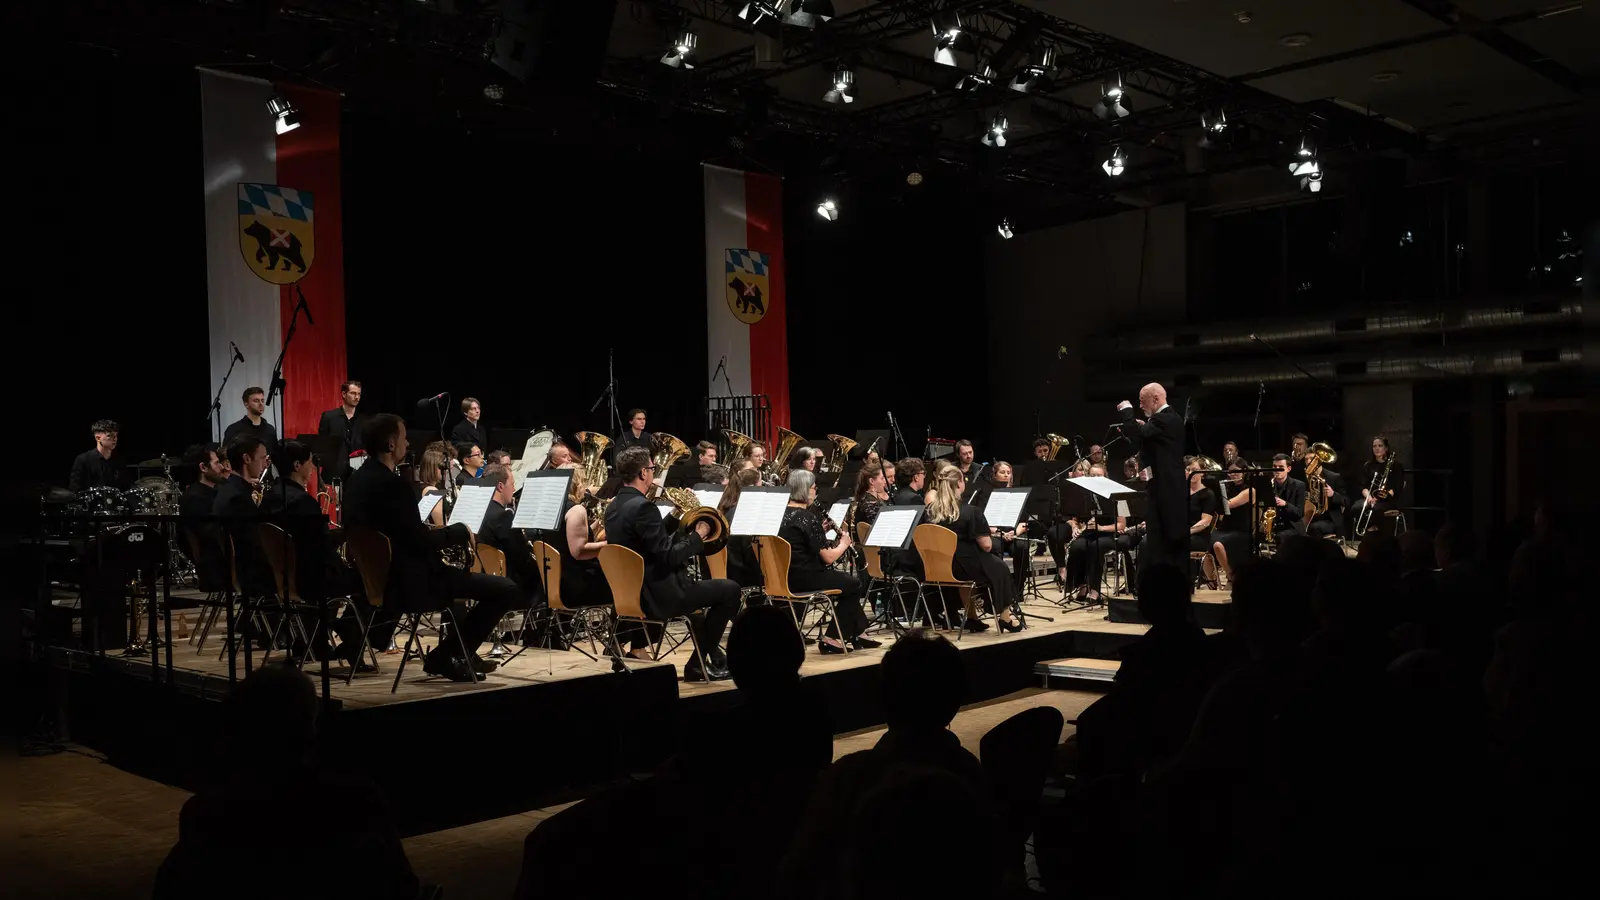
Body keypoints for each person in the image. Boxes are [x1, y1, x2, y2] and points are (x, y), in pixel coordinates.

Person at [341, 413, 521, 682]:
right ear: (391, 445)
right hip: (408, 584)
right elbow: (419, 542)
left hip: (375, 581)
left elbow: (399, 534)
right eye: (403, 438)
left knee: (461, 582)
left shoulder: (356, 481)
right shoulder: (393, 485)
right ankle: (448, 655)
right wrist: (457, 532)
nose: (407, 443)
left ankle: (456, 653)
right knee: (505, 589)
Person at [603, 446, 740, 681]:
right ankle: (697, 664)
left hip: (633, 592)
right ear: (643, 473)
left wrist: (676, 515)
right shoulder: (644, 507)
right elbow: (668, 557)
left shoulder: (614, 505)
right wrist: (698, 535)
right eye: (652, 469)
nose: (654, 475)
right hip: (661, 594)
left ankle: (713, 657)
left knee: (703, 603)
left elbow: (649, 543)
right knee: (730, 589)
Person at [274, 439, 370, 668]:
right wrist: (348, 534)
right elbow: (320, 546)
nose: (313, 469)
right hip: (309, 577)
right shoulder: (302, 502)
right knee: (372, 579)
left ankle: (312, 640)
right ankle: (351, 637)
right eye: (310, 463)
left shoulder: (272, 496)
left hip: (284, 576)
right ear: (297, 465)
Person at [779, 469, 877, 653]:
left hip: (783, 576)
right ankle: (832, 637)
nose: (816, 492)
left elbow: (798, 543)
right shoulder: (807, 518)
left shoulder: (779, 515)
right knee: (853, 584)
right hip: (805, 578)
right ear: (805, 489)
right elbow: (829, 557)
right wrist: (844, 544)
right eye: (814, 488)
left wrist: (819, 534)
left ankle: (860, 631)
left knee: (846, 582)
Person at [925, 465, 1021, 632]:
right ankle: (1005, 616)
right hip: (963, 567)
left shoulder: (929, 511)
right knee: (1000, 568)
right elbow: (986, 546)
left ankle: (971, 617)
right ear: (960, 484)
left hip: (937, 567)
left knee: (980, 568)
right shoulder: (971, 511)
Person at [1116, 383, 1186, 571]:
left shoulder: (1166, 418)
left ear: (1155, 399)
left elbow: (1140, 432)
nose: (1140, 405)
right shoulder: (1162, 420)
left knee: (1167, 540)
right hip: (1161, 488)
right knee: (1158, 541)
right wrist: (1141, 427)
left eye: (1142, 401)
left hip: (1168, 490)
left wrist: (1126, 411)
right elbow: (1143, 436)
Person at [214, 434, 277, 600]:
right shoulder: (238, 497)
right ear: (247, 459)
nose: (265, 464)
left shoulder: (230, 489)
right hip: (251, 574)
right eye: (262, 458)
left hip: (244, 568)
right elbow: (255, 542)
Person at [477, 463, 544, 599]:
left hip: (484, 579)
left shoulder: (478, 511)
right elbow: (521, 558)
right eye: (512, 484)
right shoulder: (503, 515)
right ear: (500, 486)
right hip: (508, 585)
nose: (513, 489)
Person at [1350, 435, 1405, 538]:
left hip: (1387, 499)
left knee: (1377, 509)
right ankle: (1367, 533)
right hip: (1370, 497)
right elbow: (1363, 486)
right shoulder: (1368, 465)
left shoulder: (1396, 466)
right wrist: (1369, 498)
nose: (1377, 448)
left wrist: (1379, 497)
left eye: (1380, 445)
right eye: (1374, 446)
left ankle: (1375, 533)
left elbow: (1397, 487)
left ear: (1386, 448)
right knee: (1356, 508)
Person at [717, 465, 763, 589]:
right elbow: (752, 556)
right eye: (760, 487)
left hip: (728, 574)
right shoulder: (745, 515)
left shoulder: (727, 510)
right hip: (743, 576)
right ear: (752, 489)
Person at [1211, 457, 1255, 587]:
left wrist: (1218, 489)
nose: (1232, 474)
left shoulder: (1250, 490)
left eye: (1236, 471)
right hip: (1226, 528)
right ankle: (1211, 581)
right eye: (1230, 472)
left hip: (1241, 530)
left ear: (1244, 472)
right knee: (1206, 542)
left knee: (1218, 545)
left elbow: (1227, 505)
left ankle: (1230, 577)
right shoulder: (1229, 488)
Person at [316, 381, 364, 477]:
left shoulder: (364, 420)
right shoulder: (329, 417)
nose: (357, 397)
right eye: (353, 393)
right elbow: (321, 446)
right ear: (343, 394)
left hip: (358, 472)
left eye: (359, 394)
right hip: (334, 472)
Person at [69, 419, 123, 492]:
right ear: (98, 438)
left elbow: (125, 487)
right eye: (110, 436)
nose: (115, 439)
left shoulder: (119, 460)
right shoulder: (83, 459)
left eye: (116, 435)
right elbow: (75, 489)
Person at [222, 386, 278, 455]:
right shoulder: (234, 429)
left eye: (262, 400)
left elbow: (276, 455)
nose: (261, 404)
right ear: (246, 404)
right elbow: (225, 455)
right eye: (256, 401)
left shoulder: (270, 429)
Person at [1186, 456, 1221, 558]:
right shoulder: (1181, 492)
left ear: (1202, 473)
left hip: (1198, 536)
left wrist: (1187, 531)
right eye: (1188, 469)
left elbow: (1205, 522)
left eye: (1195, 470)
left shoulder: (1208, 494)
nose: (1191, 472)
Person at [1268, 452, 1307, 541]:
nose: (1277, 469)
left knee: (1280, 537)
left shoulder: (1299, 485)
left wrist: (1285, 504)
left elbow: (1299, 513)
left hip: (1293, 526)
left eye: (1281, 467)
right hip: (1275, 525)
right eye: (1274, 467)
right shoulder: (1269, 485)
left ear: (1288, 469)